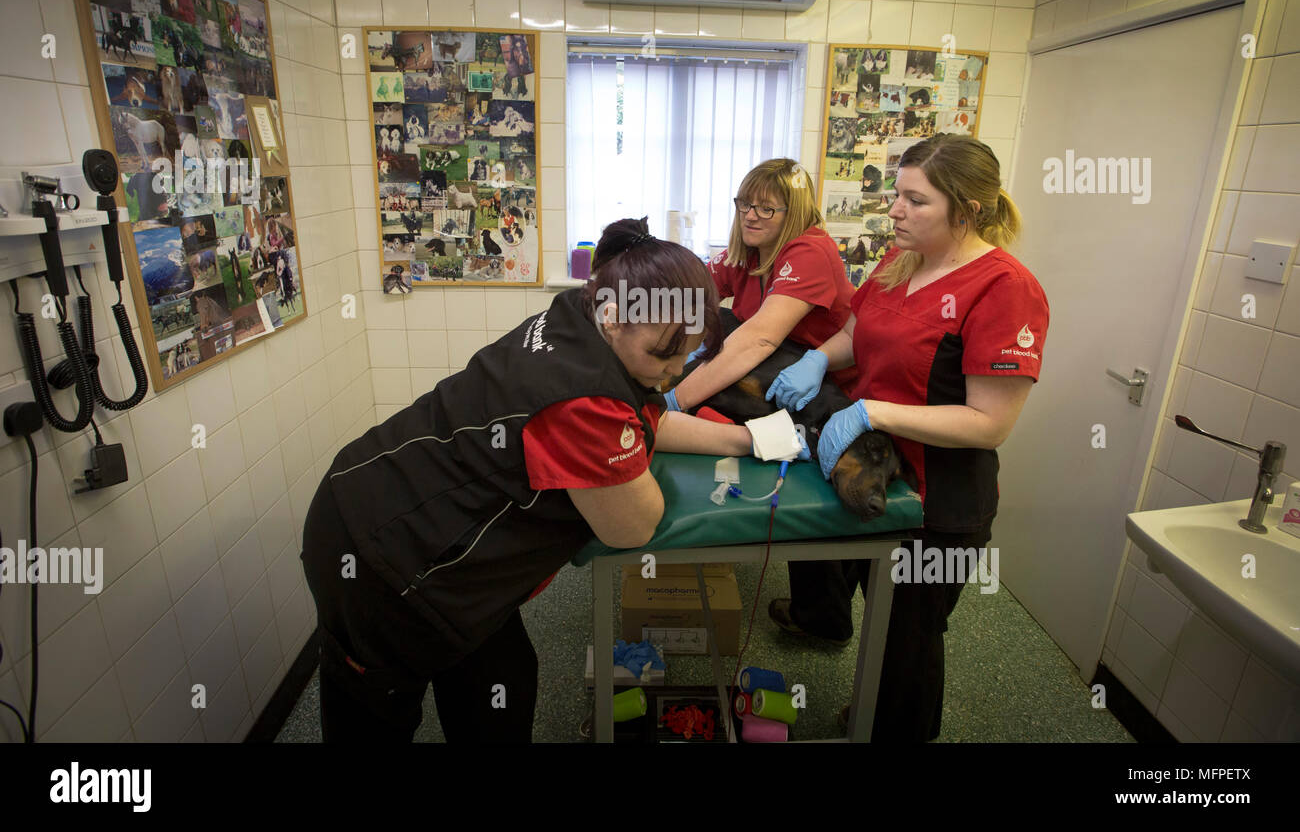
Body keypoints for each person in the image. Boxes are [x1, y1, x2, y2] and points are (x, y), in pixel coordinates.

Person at [301, 217, 804, 742]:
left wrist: (748, 440)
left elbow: (647, 418)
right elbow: (632, 525)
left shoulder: (579, 313)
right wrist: (631, 457)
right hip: (382, 555)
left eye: (688, 351)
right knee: (376, 713)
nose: (676, 371)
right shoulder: (580, 396)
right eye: (664, 355)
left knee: (503, 686)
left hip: (397, 495)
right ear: (613, 318)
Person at [763, 134, 1050, 741]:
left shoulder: (1004, 288)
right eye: (897, 195)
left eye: (916, 201)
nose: (894, 211)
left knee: (910, 638)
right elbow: (856, 329)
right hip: (883, 476)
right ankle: (870, 706)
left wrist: (874, 411)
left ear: (967, 209)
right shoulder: (902, 264)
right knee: (882, 615)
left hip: (941, 501)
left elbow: (989, 422)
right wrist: (819, 357)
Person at [662, 157, 857, 414]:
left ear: (794, 213)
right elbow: (687, 296)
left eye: (766, 208)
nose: (750, 216)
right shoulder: (750, 252)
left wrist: (676, 401)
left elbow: (760, 339)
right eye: (745, 204)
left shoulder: (811, 252)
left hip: (825, 393)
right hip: (771, 373)